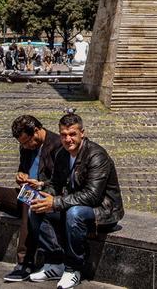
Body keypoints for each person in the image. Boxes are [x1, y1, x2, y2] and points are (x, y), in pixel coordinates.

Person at [0, 115, 61, 282]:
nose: (26, 146)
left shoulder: (57, 144)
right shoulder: (25, 147)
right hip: (28, 192)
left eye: (27, 142)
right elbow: (23, 170)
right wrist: (21, 176)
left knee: (28, 200)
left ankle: (25, 262)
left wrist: (41, 184)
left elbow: (62, 181)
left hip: (46, 195)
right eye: (22, 144)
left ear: (36, 131)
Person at [28, 112, 124, 288]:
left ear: (82, 133)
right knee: (35, 208)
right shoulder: (62, 154)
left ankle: (73, 269)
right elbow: (55, 184)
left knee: (74, 213)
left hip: (102, 211)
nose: (68, 139)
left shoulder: (97, 155)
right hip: (74, 204)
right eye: (63, 135)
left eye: (72, 134)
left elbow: (92, 195)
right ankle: (55, 262)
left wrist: (56, 203)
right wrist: (42, 195)